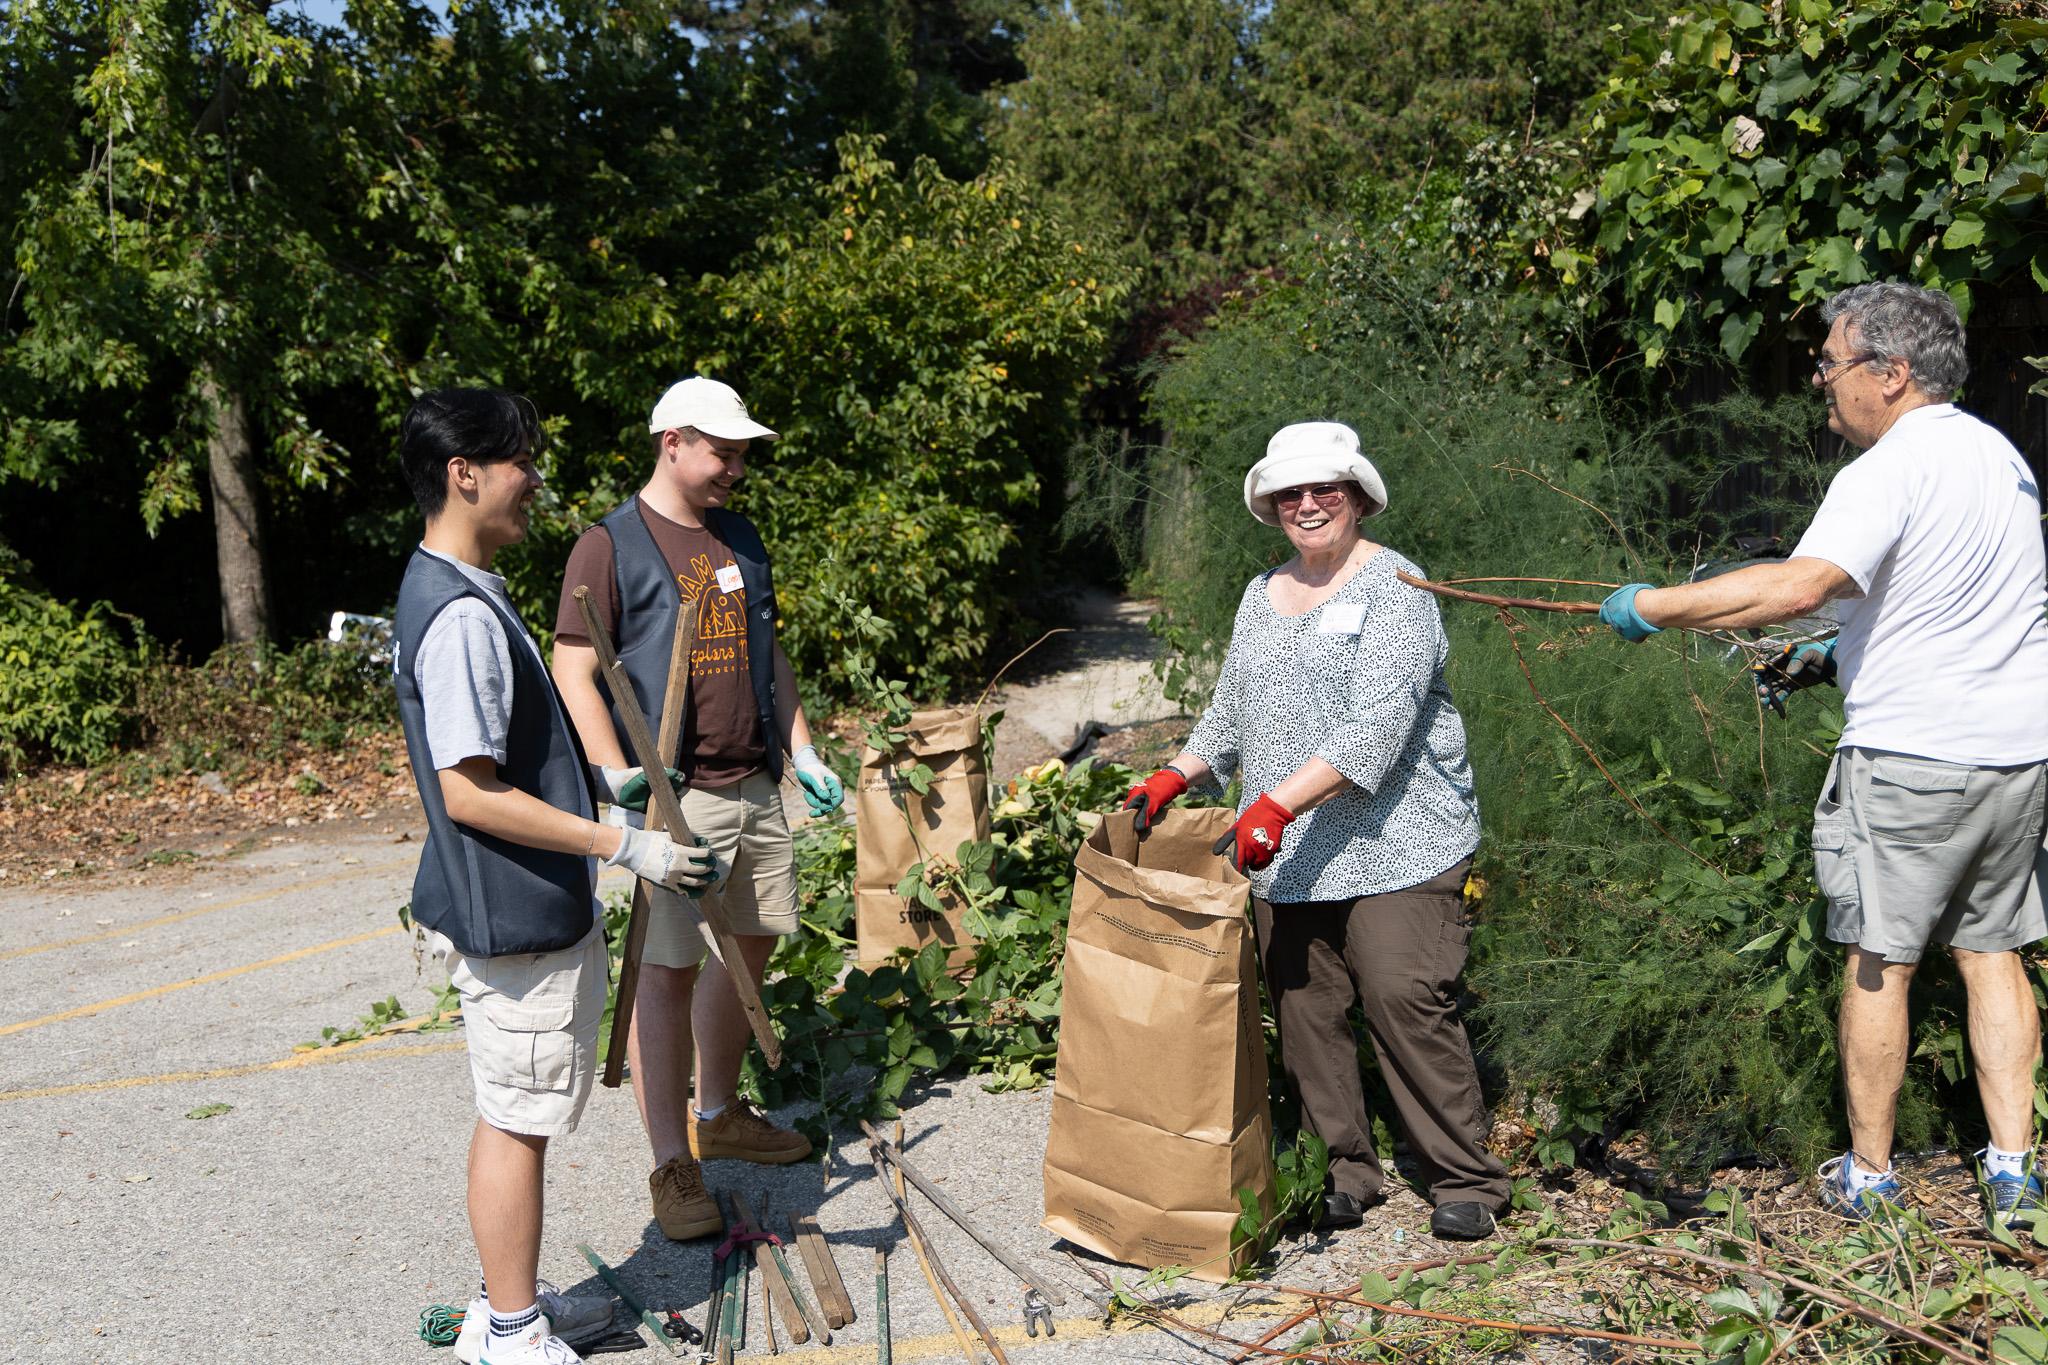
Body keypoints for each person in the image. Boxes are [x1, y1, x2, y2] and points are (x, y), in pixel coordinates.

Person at [1598, 282, 2048, 1231]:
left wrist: (1655, 607)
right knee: (1991, 951)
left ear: (1891, 374)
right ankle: (2014, 1173)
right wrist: (1831, 655)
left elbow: (1807, 583)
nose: (1821, 383)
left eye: (1831, 364)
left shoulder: (1886, 468)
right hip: (2018, 755)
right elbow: (1942, 601)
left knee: (1879, 960)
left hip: (1914, 755)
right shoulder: (1998, 455)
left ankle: (1871, 1179)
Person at [1123, 420, 1510, 1242]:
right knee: (1306, 1009)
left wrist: (1272, 805)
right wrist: (1178, 771)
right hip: (1292, 851)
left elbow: (1378, 724)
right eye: (1289, 493)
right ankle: (1347, 1170)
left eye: (1322, 489)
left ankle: (1464, 1175)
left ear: (1357, 496)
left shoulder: (1399, 585)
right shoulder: (1261, 594)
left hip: (1399, 840)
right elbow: (1231, 710)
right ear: (1270, 506)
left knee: (1404, 993)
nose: (1306, 504)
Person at [392, 388, 717, 1365]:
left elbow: (510, 754)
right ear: (466, 474)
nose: (534, 481)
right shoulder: (455, 614)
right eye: (520, 462)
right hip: (512, 916)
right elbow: (468, 792)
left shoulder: (463, 584)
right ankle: (510, 1332)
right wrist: (622, 846)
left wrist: (604, 793)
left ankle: (513, 1308)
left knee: (520, 1116)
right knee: (514, 1122)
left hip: (521, 903)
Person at [552, 376, 844, 1242]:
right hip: (673, 799)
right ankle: (671, 1161)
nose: (736, 467)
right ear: (671, 440)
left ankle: (717, 1112)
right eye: (723, 450)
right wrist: (614, 771)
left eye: (742, 452)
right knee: (665, 972)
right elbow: (575, 666)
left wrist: (804, 747)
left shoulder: (741, 538)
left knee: (749, 949)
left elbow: (769, 651)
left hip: (753, 783)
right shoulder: (609, 546)